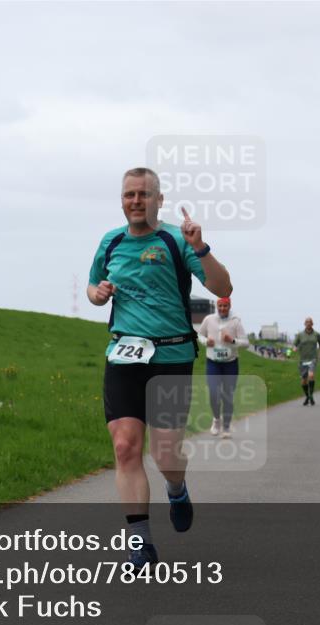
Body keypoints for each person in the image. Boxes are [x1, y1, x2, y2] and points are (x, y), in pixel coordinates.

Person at [87, 167, 232, 570]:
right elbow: (93, 285)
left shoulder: (175, 239)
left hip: (170, 358)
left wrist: (201, 248)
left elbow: (223, 288)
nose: (136, 201)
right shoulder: (110, 241)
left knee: (166, 453)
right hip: (123, 356)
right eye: (129, 194)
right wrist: (97, 294)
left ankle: (177, 487)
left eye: (144, 194)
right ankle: (140, 544)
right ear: (122, 199)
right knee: (124, 446)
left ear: (159, 200)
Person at [198, 296, 248, 437]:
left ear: (229, 306)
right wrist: (206, 341)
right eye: (220, 306)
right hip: (213, 362)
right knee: (214, 393)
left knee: (228, 396)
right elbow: (199, 335)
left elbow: (246, 343)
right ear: (216, 306)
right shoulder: (209, 320)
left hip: (230, 363)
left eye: (225, 306)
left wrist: (232, 341)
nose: (222, 309)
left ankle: (226, 427)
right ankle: (216, 419)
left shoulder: (235, 322)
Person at [294, 317, 320, 406]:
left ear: (312, 324)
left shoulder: (316, 334)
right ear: (304, 324)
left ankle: (311, 395)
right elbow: (295, 344)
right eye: (307, 322)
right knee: (303, 381)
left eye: (310, 322)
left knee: (311, 375)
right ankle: (308, 396)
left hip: (313, 358)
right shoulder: (300, 335)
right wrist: (294, 348)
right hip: (303, 359)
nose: (308, 323)